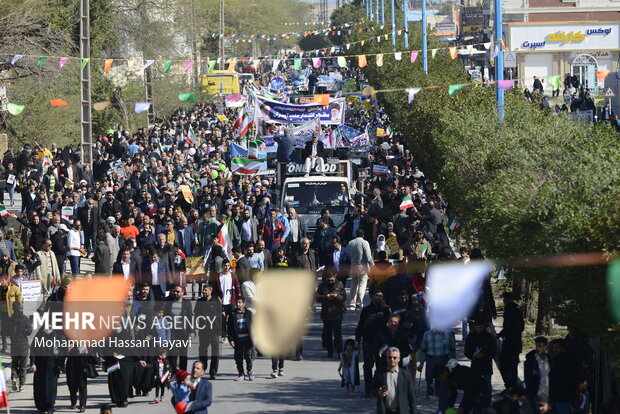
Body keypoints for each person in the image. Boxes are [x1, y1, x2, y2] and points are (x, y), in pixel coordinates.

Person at [356, 289, 392, 398]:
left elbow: (392, 321)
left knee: (381, 366)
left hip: (381, 344)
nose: (379, 297)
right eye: (377, 295)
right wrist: (357, 340)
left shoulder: (386, 310)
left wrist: (386, 309)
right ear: (372, 296)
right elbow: (360, 326)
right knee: (368, 365)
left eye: (381, 296)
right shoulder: (366, 310)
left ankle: (378, 388)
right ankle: (368, 388)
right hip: (368, 341)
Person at [464, 319, 497, 413]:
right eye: (477, 327)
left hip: (486, 366)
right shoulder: (471, 337)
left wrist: (484, 355)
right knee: (475, 388)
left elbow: (493, 351)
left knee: (487, 388)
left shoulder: (489, 337)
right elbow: (467, 351)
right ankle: (476, 408)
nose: (479, 329)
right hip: (475, 366)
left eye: (480, 327)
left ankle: (487, 407)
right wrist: (473, 355)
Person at [316, 267, 346, 359]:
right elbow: (316, 297)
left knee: (338, 334)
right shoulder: (322, 285)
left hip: (337, 314)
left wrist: (337, 296)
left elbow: (344, 298)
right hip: (326, 314)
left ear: (335, 276)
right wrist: (325, 296)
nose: (330, 281)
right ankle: (330, 350)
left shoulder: (339, 284)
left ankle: (340, 351)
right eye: (328, 279)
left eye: (332, 279)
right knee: (327, 334)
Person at [417, 328, 456, 399]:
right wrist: (421, 363)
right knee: (429, 376)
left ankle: (439, 391)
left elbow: (452, 349)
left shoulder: (449, 334)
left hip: (444, 357)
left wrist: (454, 362)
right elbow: (423, 350)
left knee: (442, 375)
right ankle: (430, 392)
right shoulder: (427, 334)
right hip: (431, 358)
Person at [375, 347, 416, 414]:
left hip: (401, 411)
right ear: (386, 358)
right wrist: (378, 392)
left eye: (394, 357)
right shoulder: (380, 373)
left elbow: (412, 398)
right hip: (385, 411)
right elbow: (372, 389)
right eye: (389, 357)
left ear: (399, 359)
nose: (392, 359)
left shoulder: (406, 375)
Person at [498, 291, 525, 392]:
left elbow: (507, 327)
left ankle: (510, 387)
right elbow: (521, 327)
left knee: (504, 365)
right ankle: (513, 388)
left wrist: (499, 335)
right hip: (517, 342)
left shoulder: (509, 310)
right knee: (513, 367)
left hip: (509, 342)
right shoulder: (518, 309)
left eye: (504, 299)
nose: (504, 301)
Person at [165, 283, 195, 372]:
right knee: (172, 352)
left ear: (182, 293)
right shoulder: (168, 302)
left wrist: (192, 331)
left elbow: (190, 317)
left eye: (177, 292)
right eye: (174, 291)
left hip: (183, 331)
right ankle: (174, 371)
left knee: (183, 353)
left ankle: (183, 372)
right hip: (171, 331)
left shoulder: (187, 303)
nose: (175, 293)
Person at [194, 283, 221, 380]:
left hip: (214, 330)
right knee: (202, 351)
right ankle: (202, 369)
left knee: (215, 351)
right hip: (203, 330)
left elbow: (220, 314)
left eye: (205, 290)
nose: (204, 292)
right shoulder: (199, 301)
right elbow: (196, 315)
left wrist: (211, 317)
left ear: (210, 291)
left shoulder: (216, 301)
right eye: (203, 290)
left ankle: (213, 372)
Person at [228, 296, 255, 381]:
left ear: (244, 303)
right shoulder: (232, 314)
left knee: (248, 356)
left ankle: (249, 372)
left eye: (240, 302)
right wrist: (231, 339)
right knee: (238, 358)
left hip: (248, 339)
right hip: (238, 339)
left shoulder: (249, 313)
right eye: (236, 302)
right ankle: (241, 373)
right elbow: (230, 328)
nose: (238, 304)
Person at [549, 339, 580, 414]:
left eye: (557, 348)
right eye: (554, 348)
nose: (555, 350)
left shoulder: (567, 362)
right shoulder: (555, 361)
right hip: (561, 397)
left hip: (565, 397)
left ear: (563, 348)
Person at [347, 229, 374, 310]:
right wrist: (372, 265)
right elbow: (368, 257)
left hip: (353, 266)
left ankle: (352, 303)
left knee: (353, 285)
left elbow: (348, 255)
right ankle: (359, 303)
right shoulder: (365, 242)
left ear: (356, 234)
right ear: (363, 235)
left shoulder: (350, 243)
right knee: (362, 285)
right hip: (362, 266)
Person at [65, 346, 98, 413]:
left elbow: (91, 353)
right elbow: (62, 353)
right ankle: (73, 402)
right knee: (71, 384)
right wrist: (67, 350)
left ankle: (82, 405)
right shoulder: (68, 340)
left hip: (82, 366)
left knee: (82, 385)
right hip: (71, 365)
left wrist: (87, 351)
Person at [9, 301, 32, 392]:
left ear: (13, 308)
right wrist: (24, 333)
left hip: (14, 345)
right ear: (21, 307)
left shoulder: (10, 319)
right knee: (23, 366)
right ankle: (21, 385)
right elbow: (29, 331)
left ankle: (14, 377)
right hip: (23, 346)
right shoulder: (25, 319)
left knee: (14, 364)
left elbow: (6, 331)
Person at [524, 337, 550, 413]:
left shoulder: (550, 360)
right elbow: (528, 379)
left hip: (547, 394)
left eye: (540, 346)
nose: (538, 348)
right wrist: (531, 394)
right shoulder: (530, 361)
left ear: (546, 347)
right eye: (537, 346)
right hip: (535, 395)